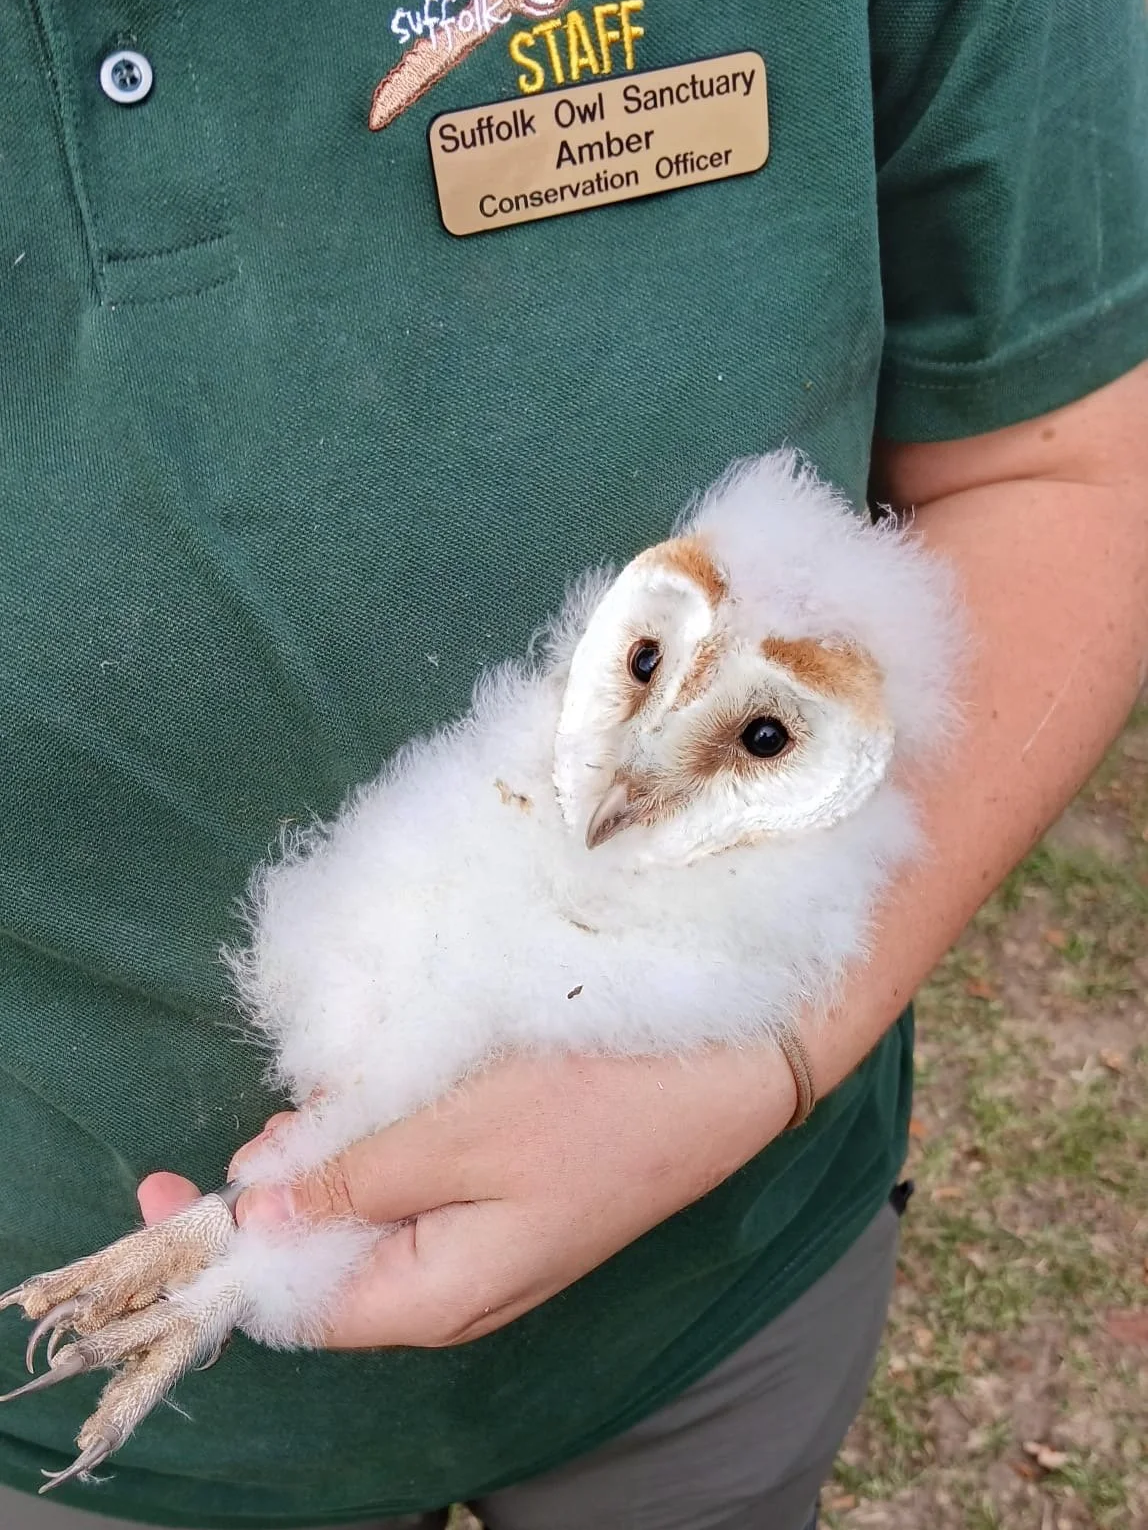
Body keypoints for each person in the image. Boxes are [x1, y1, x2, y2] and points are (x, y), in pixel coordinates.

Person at [1, 0, 1146, 1526]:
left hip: (715, 1295)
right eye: (658, 678)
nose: (642, 769)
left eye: (752, 735)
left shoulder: (776, 895)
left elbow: (1063, 455)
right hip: (77, 1363)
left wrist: (770, 1059)